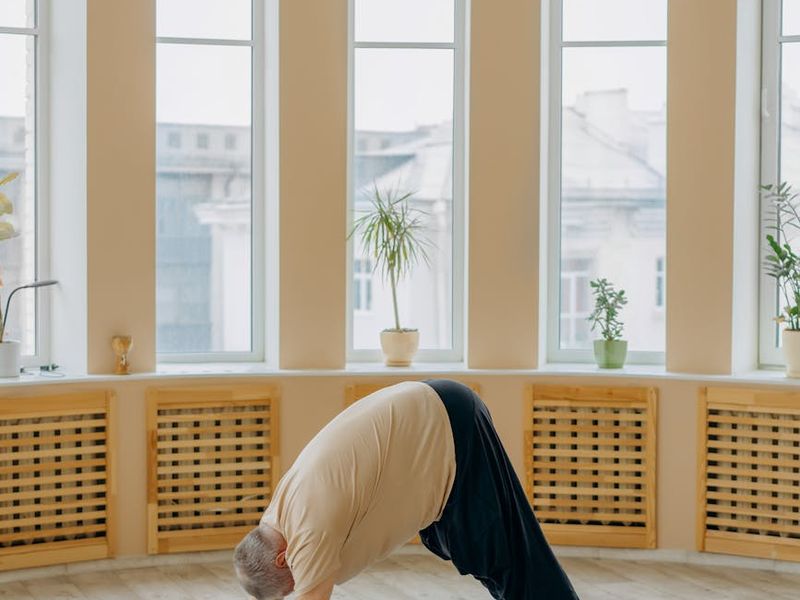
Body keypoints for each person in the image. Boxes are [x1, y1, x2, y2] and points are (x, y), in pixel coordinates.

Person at [233, 379, 579, 600]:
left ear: (283, 559)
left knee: (508, 553)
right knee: (474, 547)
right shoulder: (280, 514)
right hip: (437, 424)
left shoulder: (306, 529)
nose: (301, 579)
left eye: (291, 584)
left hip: (448, 424)